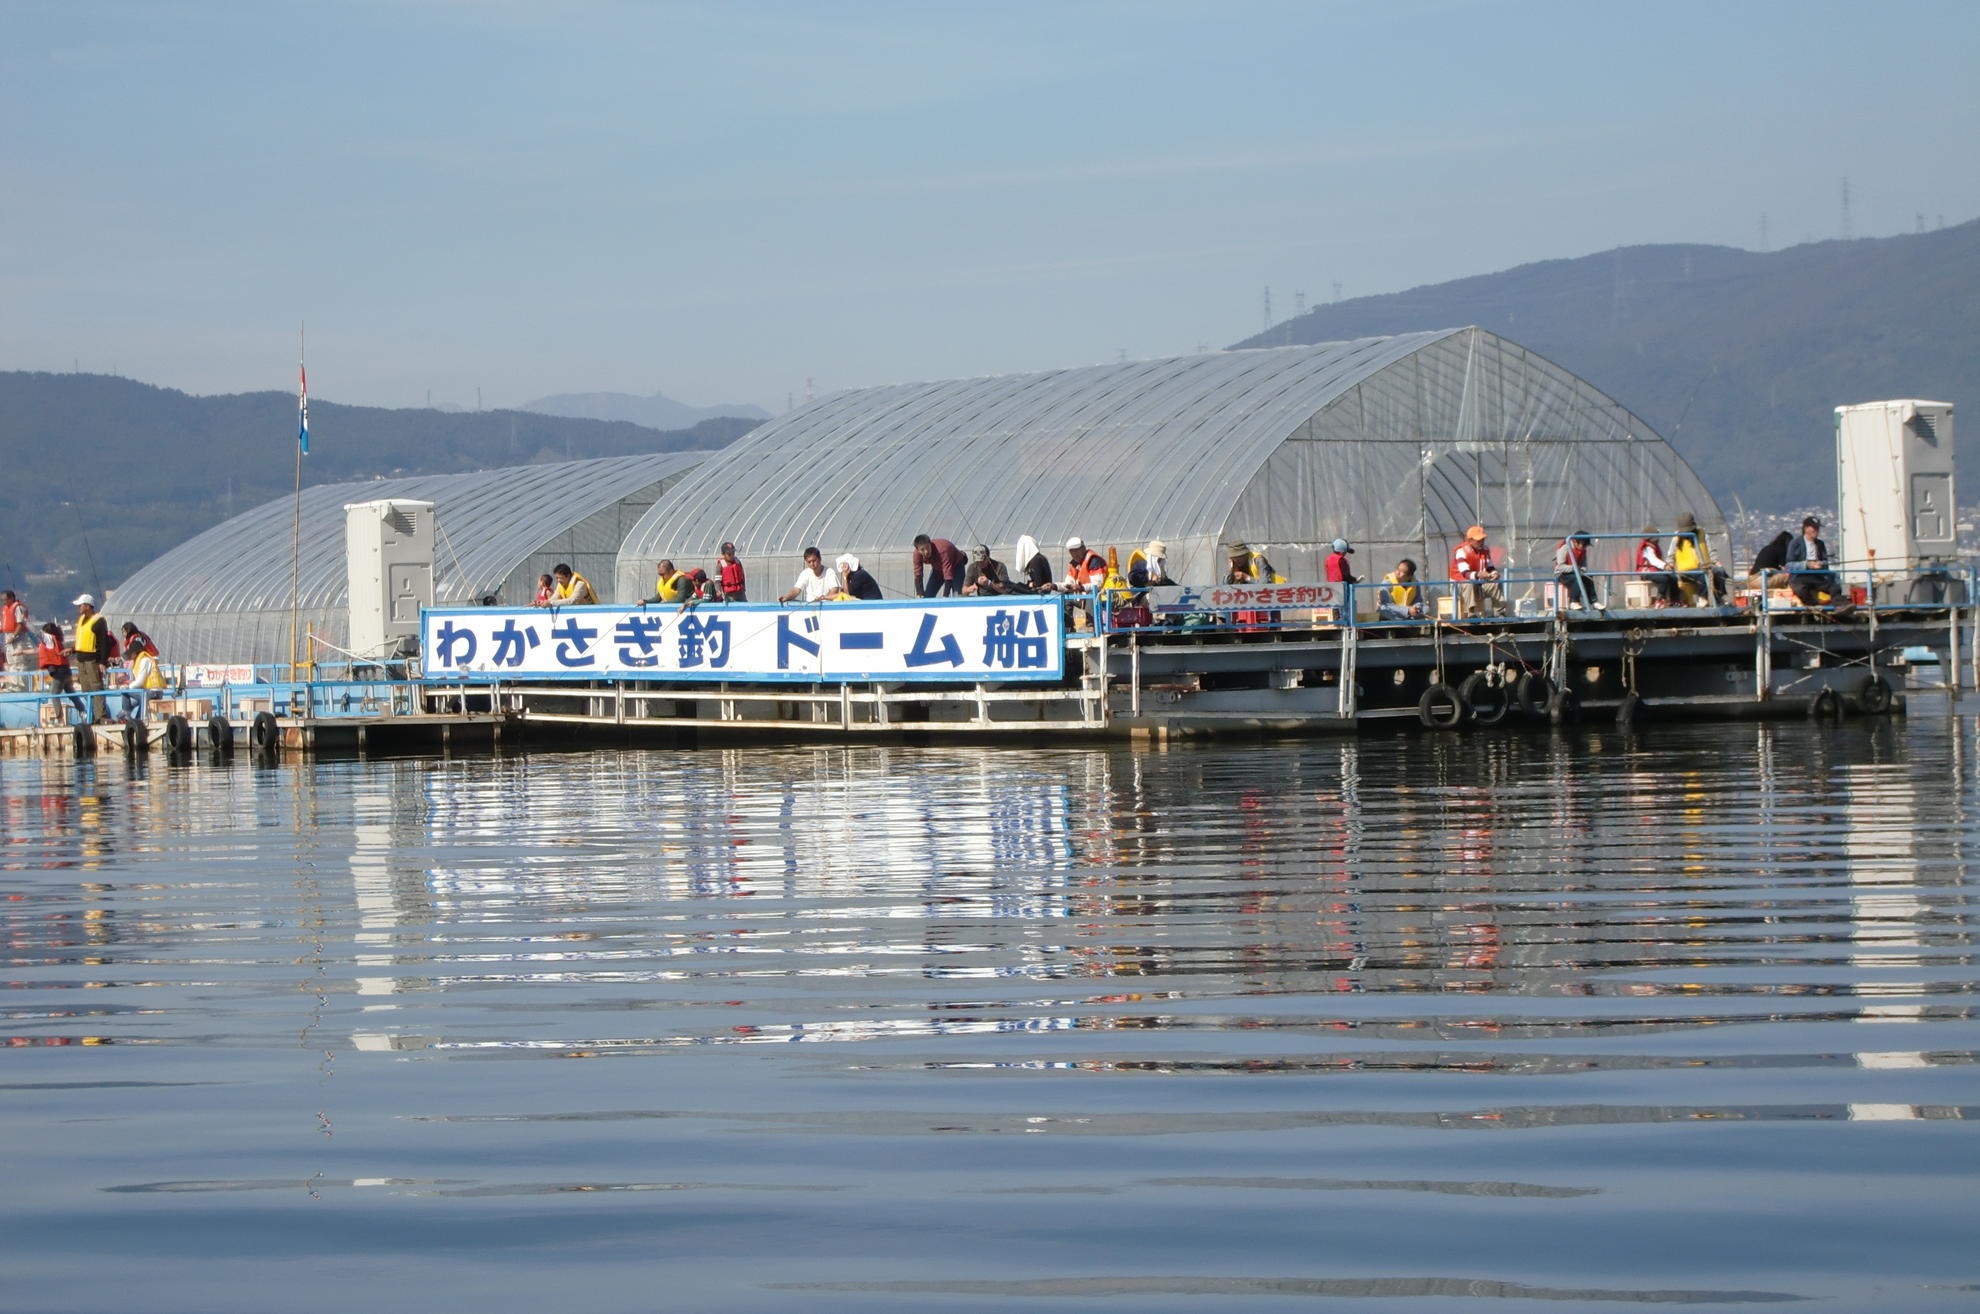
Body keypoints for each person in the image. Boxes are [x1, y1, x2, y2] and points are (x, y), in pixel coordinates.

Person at [70, 594, 116, 721]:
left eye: (81, 605)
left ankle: (100, 715)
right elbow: (81, 640)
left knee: (96, 687)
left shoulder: (98, 621)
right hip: (81, 659)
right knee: (86, 688)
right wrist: (72, 650)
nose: (79, 607)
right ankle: (92, 715)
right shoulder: (81, 619)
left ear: (88, 606)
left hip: (92, 660)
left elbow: (103, 642)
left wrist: (102, 662)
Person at [1786, 515, 1845, 608]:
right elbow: (1789, 565)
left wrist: (1821, 564)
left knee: (1835, 587)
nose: (1816, 530)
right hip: (1800, 577)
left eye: (1817, 528)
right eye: (1814, 527)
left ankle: (1840, 606)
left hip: (1817, 576)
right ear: (1806, 529)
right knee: (1801, 590)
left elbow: (1825, 562)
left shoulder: (1820, 544)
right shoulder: (1795, 543)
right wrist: (1807, 565)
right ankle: (1814, 606)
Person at [1670, 512, 1727, 605]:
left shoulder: (1702, 534)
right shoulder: (1676, 538)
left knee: (1720, 571)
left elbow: (1711, 549)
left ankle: (1719, 597)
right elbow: (1671, 554)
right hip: (1686, 571)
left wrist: (1716, 561)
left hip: (1704, 567)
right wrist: (1670, 564)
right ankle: (1703, 596)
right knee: (1703, 575)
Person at [1450, 525, 1507, 617]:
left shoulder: (1485, 550)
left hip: (1478, 583)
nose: (1481, 542)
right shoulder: (1461, 552)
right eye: (1478, 540)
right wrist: (1478, 575)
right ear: (1469, 540)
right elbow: (1465, 573)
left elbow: (1490, 566)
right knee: (1468, 584)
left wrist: (1494, 573)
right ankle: (1471, 613)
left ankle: (1500, 612)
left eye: (1482, 539)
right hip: (1459, 586)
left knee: (1495, 584)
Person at [37, 622, 85, 723]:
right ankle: (83, 712)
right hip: (66, 671)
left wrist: (25, 626)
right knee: (72, 694)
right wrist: (23, 652)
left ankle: (60, 719)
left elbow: (38, 635)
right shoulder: (57, 641)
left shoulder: (49, 640)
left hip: (59, 672)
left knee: (54, 695)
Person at [121, 636, 166, 722]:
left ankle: (128, 716)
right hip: (150, 691)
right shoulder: (142, 660)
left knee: (124, 691)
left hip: (154, 692)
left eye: (131, 653)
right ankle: (131, 716)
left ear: (135, 653)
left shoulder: (144, 660)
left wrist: (129, 686)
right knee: (135, 702)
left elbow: (140, 682)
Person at [911, 534, 966, 598]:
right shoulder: (916, 554)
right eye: (922, 550)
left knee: (957, 596)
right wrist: (919, 592)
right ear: (918, 550)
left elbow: (948, 574)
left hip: (956, 566)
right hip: (938, 569)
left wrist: (945, 595)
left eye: (927, 547)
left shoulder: (942, 550)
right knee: (928, 596)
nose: (926, 552)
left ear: (930, 544)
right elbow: (918, 573)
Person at [1554, 531, 1595, 608]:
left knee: (1589, 577)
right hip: (1562, 574)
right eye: (1584, 545)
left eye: (1586, 545)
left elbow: (1584, 565)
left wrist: (1582, 570)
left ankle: (1594, 601)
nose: (1585, 547)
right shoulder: (1565, 548)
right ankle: (1574, 601)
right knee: (1576, 577)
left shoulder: (1583, 551)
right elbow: (1560, 567)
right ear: (1575, 542)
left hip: (1576, 572)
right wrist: (1574, 568)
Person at [1636, 527, 1677, 606]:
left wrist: (1668, 566)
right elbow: (1653, 560)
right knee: (1663, 579)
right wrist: (1664, 566)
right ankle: (1659, 599)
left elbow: (1658, 559)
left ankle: (1674, 599)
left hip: (1656, 570)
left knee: (1673, 577)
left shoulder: (1654, 546)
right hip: (1647, 572)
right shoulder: (1647, 547)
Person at [1, 589, 29, 683]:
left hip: (18, 637)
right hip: (7, 636)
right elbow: (5, 625)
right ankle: (14, 684)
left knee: (19, 662)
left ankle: (21, 684)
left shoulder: (18, 608)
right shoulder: (5, 609)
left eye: (6, 600)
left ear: (12, 598)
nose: (4, 602)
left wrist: (13, 636)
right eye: (3, 600)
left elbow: (20, 624)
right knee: (11, 662)